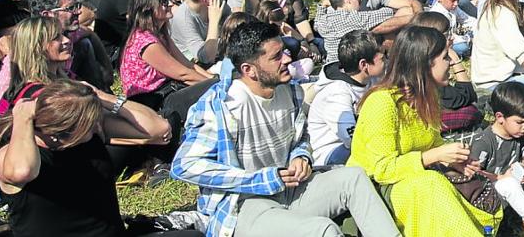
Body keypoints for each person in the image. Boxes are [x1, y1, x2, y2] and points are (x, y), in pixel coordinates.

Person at [172, 22, 399, 237]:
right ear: (248, 69)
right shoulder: (222, 106)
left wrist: (301, 156)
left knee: (354, 178)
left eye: (284, 51)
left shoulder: (291, 93)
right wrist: (259, 179)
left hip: (290, 191)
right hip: (243, 205)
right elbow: (185, 165)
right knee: (322, 231)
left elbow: (301, 139)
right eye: (276, 57)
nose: (288, 59)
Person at [0, 79, 198, 237]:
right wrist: (23, 117)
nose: (98, 123)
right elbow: (22, 171)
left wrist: (100, 96)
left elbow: (158, 129)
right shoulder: (11, 156)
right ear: (67, 131)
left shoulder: (87, 137)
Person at [347, 25, 498, 235]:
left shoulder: (427, 97)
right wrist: (434, 156)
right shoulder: (382, 102)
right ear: (426, 65)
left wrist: (452, 159)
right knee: (431, 185)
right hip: (375, 191)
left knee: (461, 184)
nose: (451, 63)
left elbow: (432, 143)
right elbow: (381, 170)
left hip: (412, 180)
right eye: (446, 58)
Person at [452, 82, 524, 236]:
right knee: (508, 183)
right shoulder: (484, 142)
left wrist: (522, 169)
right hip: (489, 192)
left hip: (512, 187)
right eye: (520, 122)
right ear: (500, 117)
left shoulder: (518, 135)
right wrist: (500, 177)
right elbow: (474, 174)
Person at [120, 0, 214, 110]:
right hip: (153, 101)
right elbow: (183, 74)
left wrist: (213, 78)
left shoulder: (159, 33)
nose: (170, 4)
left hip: (169, 90)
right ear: (148, 8)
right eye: (163, 1)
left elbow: (187, 64)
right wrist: (217, 85)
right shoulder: (145, 41)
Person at [308, 30, 385, 166]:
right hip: (331, 153)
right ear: (364, 65)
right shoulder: (336, 92)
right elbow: (353, 139)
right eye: (383, 58)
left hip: (360, 141)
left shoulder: (372, 79)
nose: (386, 61)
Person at [169, 0, 229, 65]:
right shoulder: (184, 18)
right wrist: (214, 22)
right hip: (193, 66)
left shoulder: (217, 2)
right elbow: (206, 57)